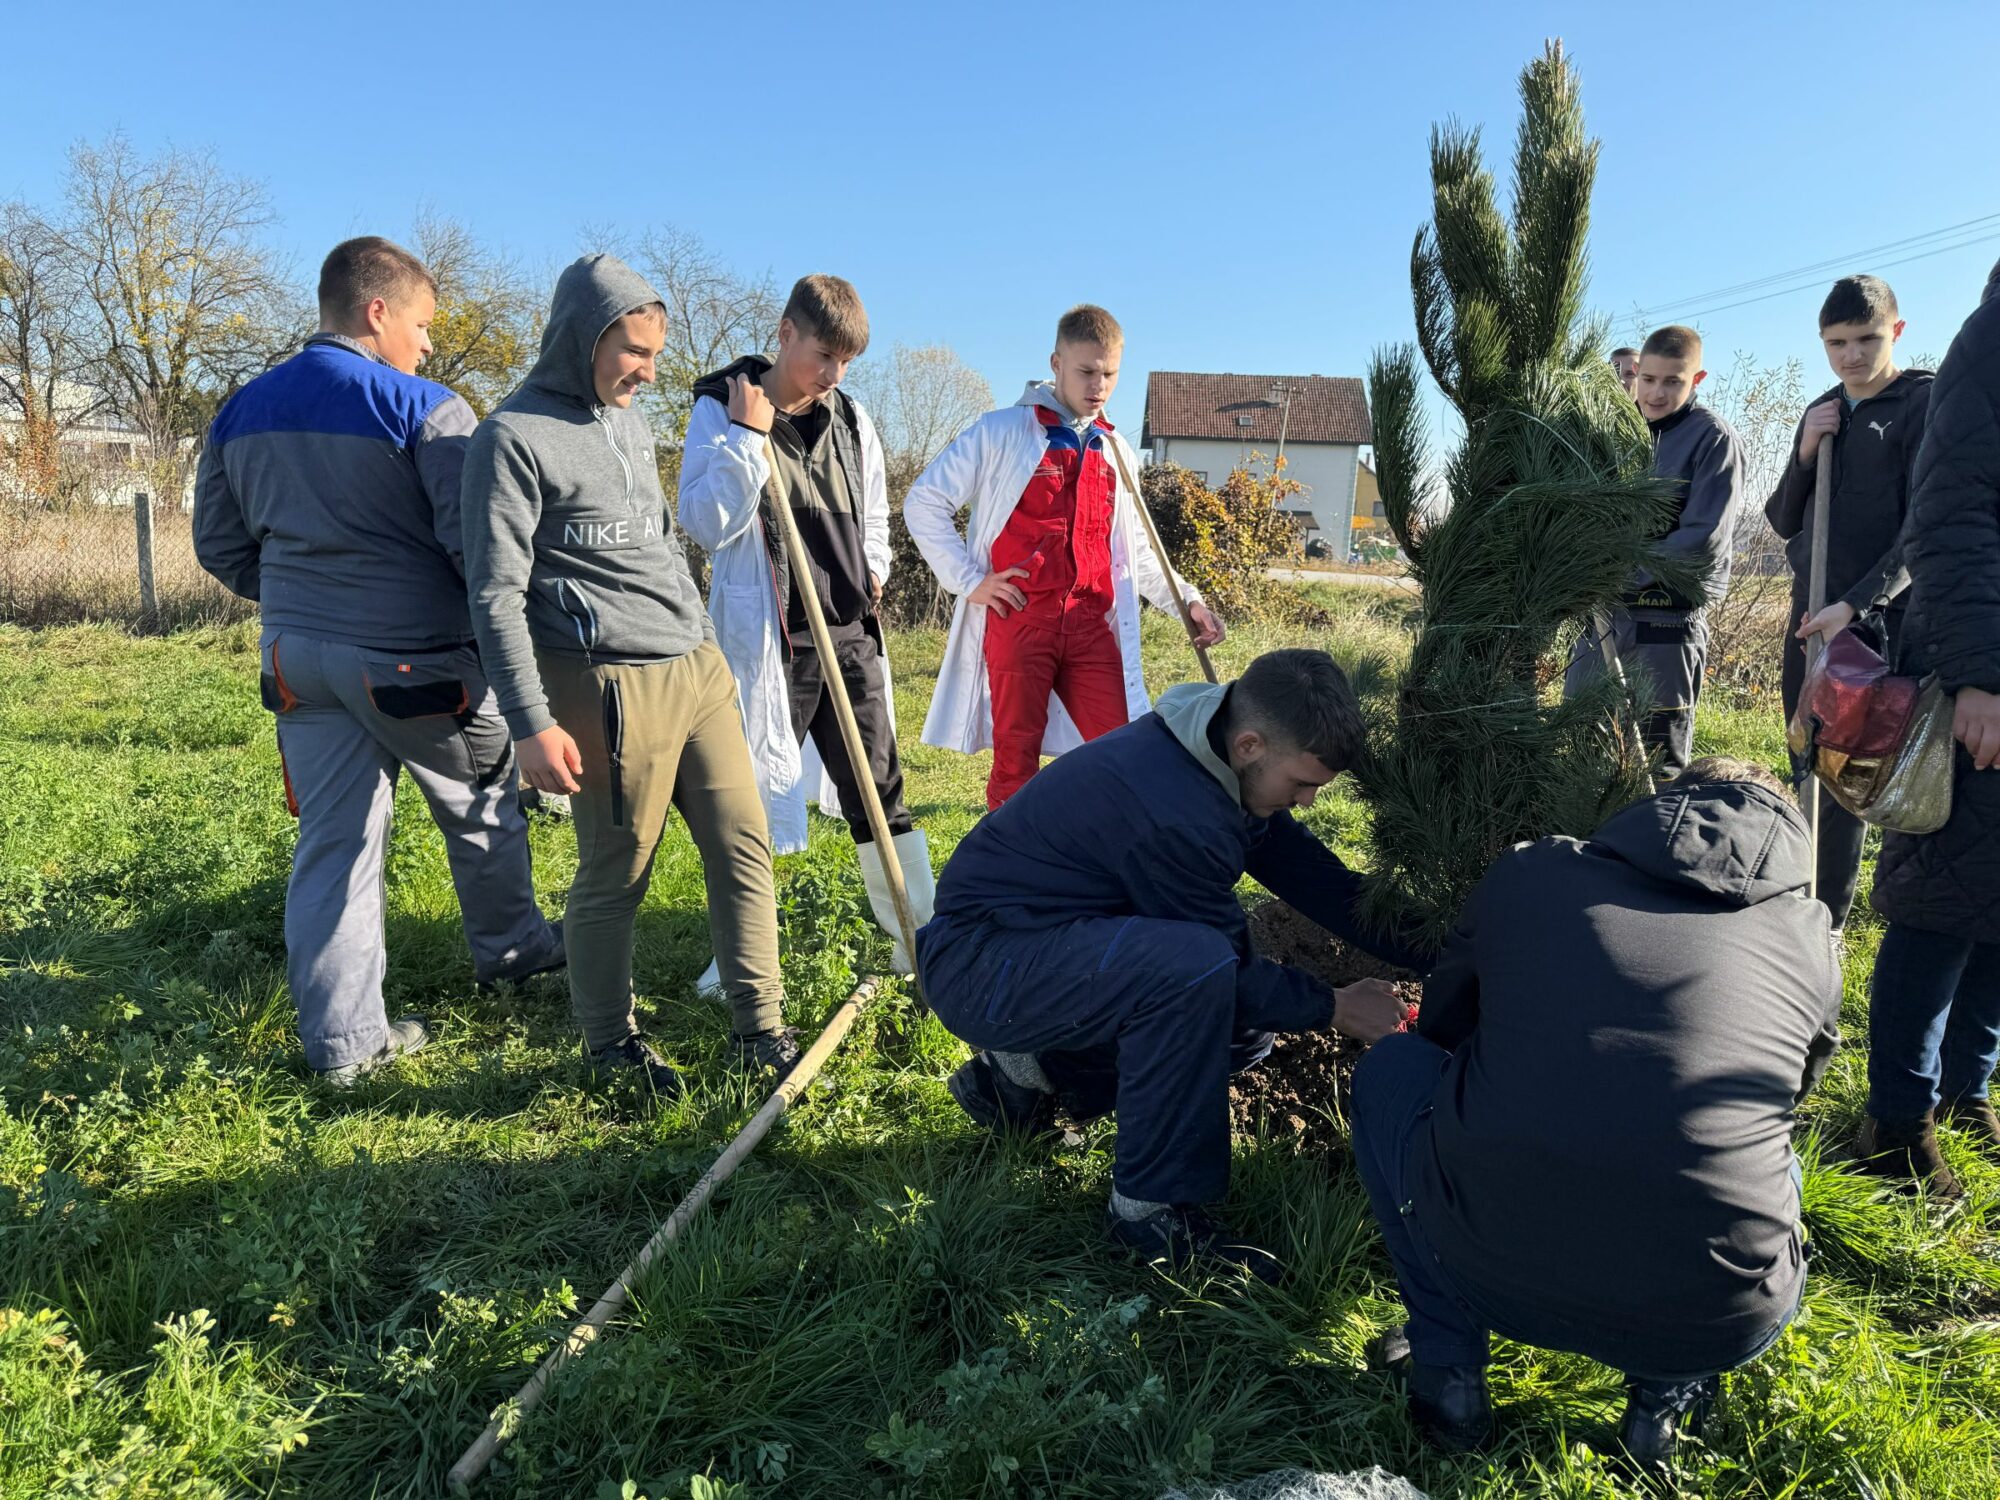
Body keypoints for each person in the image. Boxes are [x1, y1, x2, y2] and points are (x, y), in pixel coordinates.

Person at [1352, 757, 1839, 1467]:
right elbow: (1797, 1087)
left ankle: (1448, 1374)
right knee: (1763, 1149)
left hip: (1486, 1263)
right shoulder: (1813, 941)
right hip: (1722, 1312)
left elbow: (1445, 1027)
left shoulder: (1535, 871)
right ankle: (1661, 1411)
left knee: (1392, 1070)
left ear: (1661, 812)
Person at [917, 650, 1418, 1280]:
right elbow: (1228, 972)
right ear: (1250, 744)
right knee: (1199, 968)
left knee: (1243, 1028)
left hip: (1040, 949)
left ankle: (1023, 1074)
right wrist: (1339, 1007)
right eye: (1303, 784)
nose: (1311, 802)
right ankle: (1150, 1215)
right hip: (984, 966)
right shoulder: (1174, 810)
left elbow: (1318, 880)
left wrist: (1446, 942)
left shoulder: (1214, 758)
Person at [193, 236, 564, 1087]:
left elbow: (219, 546)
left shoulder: (240, 410)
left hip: (297, 662)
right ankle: (515, 956)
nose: (428, 344)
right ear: (377, 312)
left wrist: (299, 592)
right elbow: (476, 552)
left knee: (333, 845)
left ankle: (343, 1047)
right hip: (416, 665)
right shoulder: (428, 408)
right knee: (482, 810)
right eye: (424, 324)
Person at [461, 253, 797, 1095]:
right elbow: (495, 595)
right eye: (633, 351)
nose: (649, 371)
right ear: (584, 336)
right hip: (607, 685)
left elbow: (654, 543)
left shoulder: (632, 424)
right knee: (618, 870)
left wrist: (700, 641)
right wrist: (532, 722)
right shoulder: (511, 440)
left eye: (654, 353)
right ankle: (611, 1048)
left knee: (744, 847)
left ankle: (762, 1029)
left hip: (697, 666)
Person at [680, 275, 933, 978]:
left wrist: (874, 571)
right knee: (750, 797)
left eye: (845, 362)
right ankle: (737, 958)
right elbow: (704, 522)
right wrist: (743, 439)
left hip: (847, 632)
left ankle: (917, 939)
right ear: (784, 331)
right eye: (823, 355)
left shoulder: (852, 419)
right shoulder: (721, 406)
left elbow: (875, 512)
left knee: (877, 787)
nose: (832, 375)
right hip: (773, 638)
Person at [903, 304, 1224, 810]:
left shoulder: (1116, 449)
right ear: (1056, 363)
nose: (1098, 385)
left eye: (1110, 374)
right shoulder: (1001, 431)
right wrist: (970, 580)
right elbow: (923, 502)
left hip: (1091, 625)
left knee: (1124, 749)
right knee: (1016, 759)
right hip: (1019, 619)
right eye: (1086, 371)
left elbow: (1138, 549)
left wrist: (1187, 601)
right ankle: (1013, 877)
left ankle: (1101, 862)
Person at [1859, 259, 2000, 1196]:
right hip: (1977, 680)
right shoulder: (1991, 344)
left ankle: (1969, 1088)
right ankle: (1896, 1120)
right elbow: (1948, 519)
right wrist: (1981, 676)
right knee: (1942, 902)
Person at [1764, 275, 1932, 934]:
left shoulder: (1923, 405)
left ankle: (1826, 922)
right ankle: (1793, 895)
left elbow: (1923, 531)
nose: (1851, 356)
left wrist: (1859, 606)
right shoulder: (1825, 408)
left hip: (1877, 627)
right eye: (1837, 343)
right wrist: (1806, 450)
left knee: (1850, 774)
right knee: (1804, 751)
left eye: (1865, 339)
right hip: (1809, 617)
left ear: (1896, 331)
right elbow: (1782, 519)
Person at [1565, 324, 1746, 779]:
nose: (1657, 394)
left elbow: (1700, 539)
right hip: (1598, 623)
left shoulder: (1713, 441)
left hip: (1664, 624)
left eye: (1672, 382)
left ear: (1697, 381)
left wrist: (1612, 574)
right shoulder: (1615, 436)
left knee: (1657, 763)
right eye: (1649, 380)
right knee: (1580, 748)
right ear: (1636, 373)